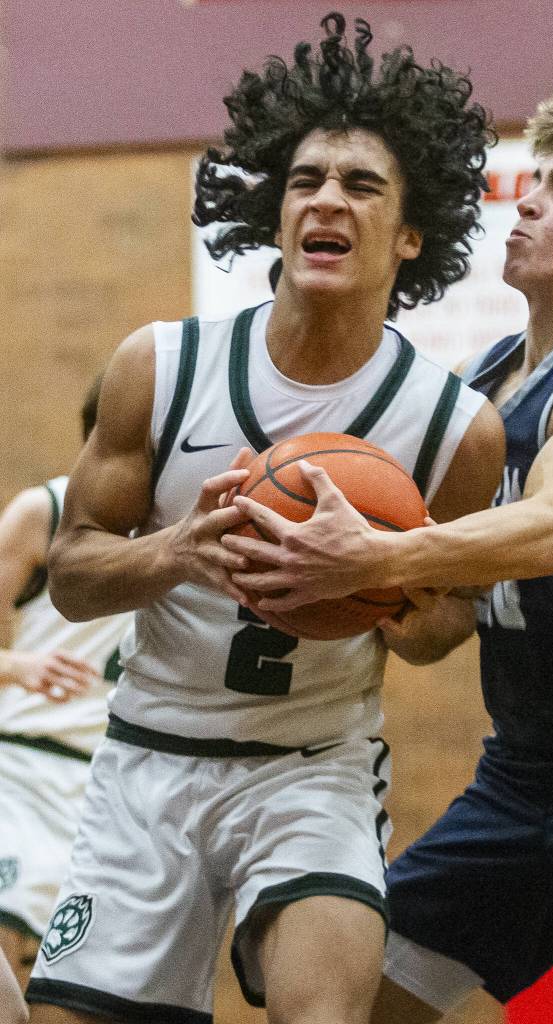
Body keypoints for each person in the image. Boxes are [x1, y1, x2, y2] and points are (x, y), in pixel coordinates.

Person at [226, 84, 553, 1024]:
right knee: (352, 999)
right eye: (531, 182)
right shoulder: (485, 386)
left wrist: (376, 560)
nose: (529, 202)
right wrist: (329, 587)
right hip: (518, 773)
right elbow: (441, 630)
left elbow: (548, 536)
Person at [28, 13, 504, 1024]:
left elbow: (445, 623)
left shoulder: (456, 429)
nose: (328, 196)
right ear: (276, 214)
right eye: (305, 179)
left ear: (411, 235)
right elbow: (70, 572)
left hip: (312, 768)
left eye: (362, 184)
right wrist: (176, 551)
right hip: (149, 759)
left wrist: (372, 580)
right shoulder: (161, 367)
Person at [0, 378, 131, 1003]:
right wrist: (16, 668)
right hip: (21, 764)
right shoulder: (42, 512)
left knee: (64, 988)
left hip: (112, 792)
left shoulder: (189, 529)